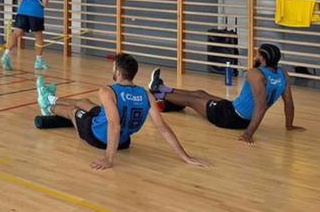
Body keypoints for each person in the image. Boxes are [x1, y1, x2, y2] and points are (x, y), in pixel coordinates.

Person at [36, 53, 208, 170]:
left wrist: (109, 159)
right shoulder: (146, 94)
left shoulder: (107, 90)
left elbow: (114, 125)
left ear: (117, 72)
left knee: (73, 111)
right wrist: (185, 157)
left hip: (96, 135)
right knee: (85, 102)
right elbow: (162, 128)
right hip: (124, 142)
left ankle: (46, 105)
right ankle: (52, 97)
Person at [148, 43, 304, 144]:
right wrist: (289, 126)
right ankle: (162, 87)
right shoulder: (282, 74)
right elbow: (289, 103)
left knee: (191, 101)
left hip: (230, 117)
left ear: (262, 58)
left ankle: (157, 93)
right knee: (200, 93)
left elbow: (261, 106)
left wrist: (248, 134)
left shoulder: (256, 73)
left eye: (257, 54)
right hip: (234, 109)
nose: (255, 56)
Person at [2, 0, 50, 71]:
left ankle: (6, 54)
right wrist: (45, 2)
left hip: (22, 10)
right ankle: (38, 61)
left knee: (16, 33)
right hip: (36, 11)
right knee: (38, 36)